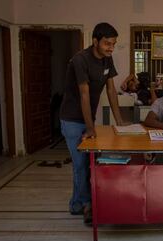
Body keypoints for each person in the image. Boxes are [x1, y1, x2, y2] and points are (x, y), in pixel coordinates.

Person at [59, 22, 124, 225]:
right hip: (71, 119)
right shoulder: (80, 60)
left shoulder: (107, 59)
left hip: (87, 118)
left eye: (113, 44)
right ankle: (85, 204)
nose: (110, 48)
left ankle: (78, 204)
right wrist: (90, 127)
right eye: (107, 43)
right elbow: (84, 95)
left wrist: (120, 122)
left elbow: (111, 91)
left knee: (89, 163)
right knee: (80, 165)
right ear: (95, 41)